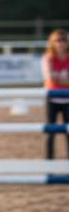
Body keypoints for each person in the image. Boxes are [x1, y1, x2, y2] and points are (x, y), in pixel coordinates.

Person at [42, 28, 69, 159]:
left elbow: (54, 77)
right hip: (52, 98)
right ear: (52, 42)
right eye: (57, 40)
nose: (61, 43)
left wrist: (57, 78)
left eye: (63, 40)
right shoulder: (48, 58)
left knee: (68, 131)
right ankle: (49, 161)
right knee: (50, 132)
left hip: (67, 99)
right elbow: (49, 77)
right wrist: (63, 78)